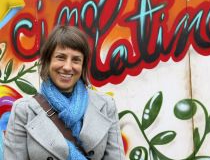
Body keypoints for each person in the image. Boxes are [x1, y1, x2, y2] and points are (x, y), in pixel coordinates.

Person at [4, 25, 125, 160]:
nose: (67, 67)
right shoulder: (23, 110)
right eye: (60, 57)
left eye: (76, 60)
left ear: (82, 65)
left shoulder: (106, 105)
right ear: (47, 62)